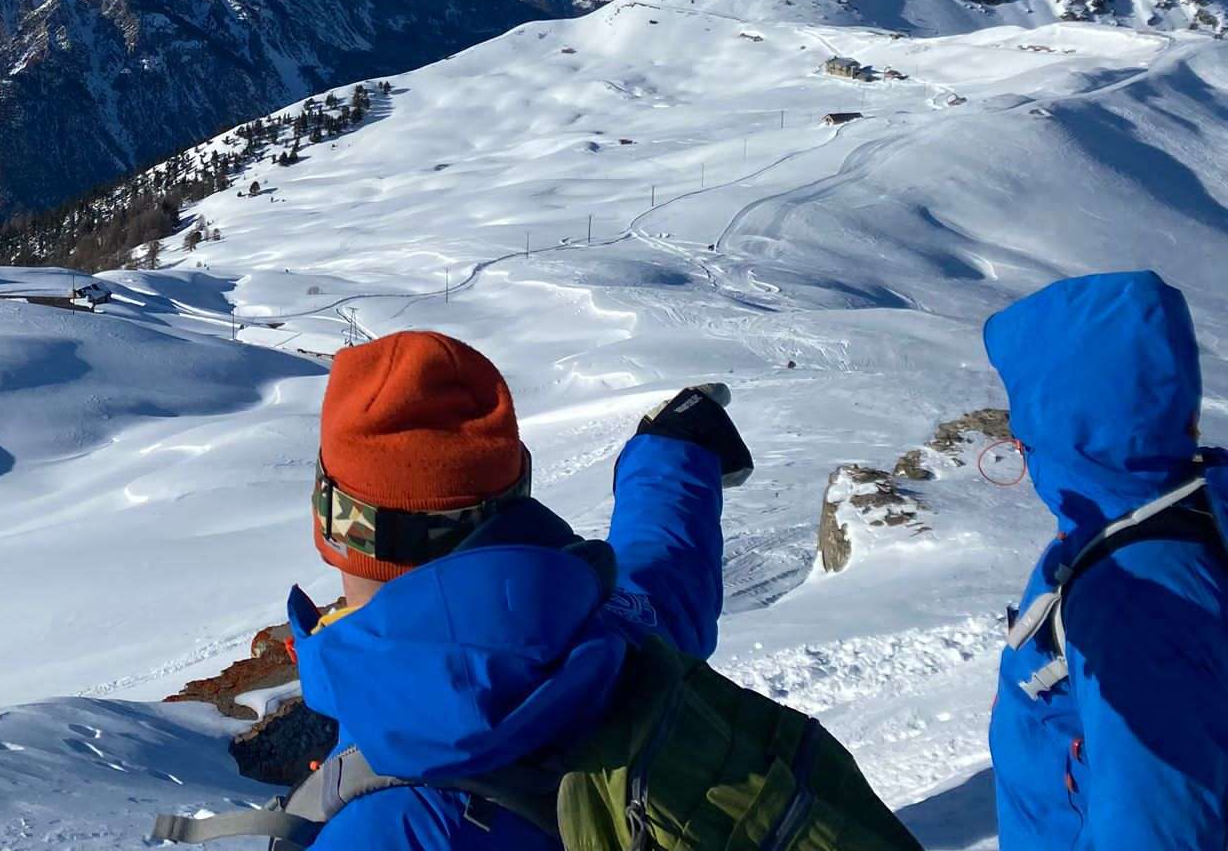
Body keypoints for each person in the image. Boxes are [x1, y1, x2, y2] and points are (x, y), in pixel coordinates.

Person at [154, 329, 917, 849]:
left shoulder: (397, 822)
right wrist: (671, 456)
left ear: (335, 519)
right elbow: (663, 581)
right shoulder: (602, 637)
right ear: (512, 497)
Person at [985, 271, 1228, 848]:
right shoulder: (1172, 513)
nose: (1017, 439)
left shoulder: (1136, 598)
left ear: (1063, 419)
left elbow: (1159, 832)